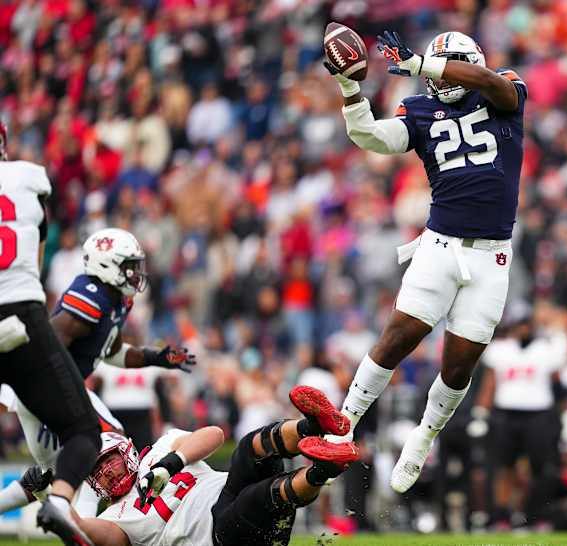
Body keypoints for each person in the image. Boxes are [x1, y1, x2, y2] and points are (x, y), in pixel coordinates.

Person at [324, 30, 527, 492]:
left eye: (448, 67)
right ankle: (345, 424)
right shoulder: (418, 109)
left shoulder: (503, 90)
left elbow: (487, 80)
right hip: (439, 245)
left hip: (491, 256)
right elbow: (371, 137)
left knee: (459, 367)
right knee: (398, 338)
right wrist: (350, 89)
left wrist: (419, 64)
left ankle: (424, 436)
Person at [0, 227, 195, 520]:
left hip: (53, 387)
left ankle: (50, 500)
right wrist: (47, 404)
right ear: (107, 265)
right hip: (43, 387)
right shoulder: (92, 295)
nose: (135, 274)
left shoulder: (117, 299)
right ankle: (80, 525)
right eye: (129, 267)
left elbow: (112, 351)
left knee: (64, 468)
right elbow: (46, 348)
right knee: (105, 451)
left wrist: (156, 357)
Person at [66, 385, 358, 546]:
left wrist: (169, 464)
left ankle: (313, 426)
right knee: (253, 499)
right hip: (219, 538)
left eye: (108, 461)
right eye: (98, 472)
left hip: (229, 491)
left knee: (247, 447)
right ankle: (324, 469)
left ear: (125, 450)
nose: (106, 472)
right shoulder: (115, 517)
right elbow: (96, 534)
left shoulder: (160, 450)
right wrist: (55, 505)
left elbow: (214, 435)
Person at [0, 121, 101, 545]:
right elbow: (36, 258)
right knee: (82, 431)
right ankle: (58, 503)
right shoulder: (28, 177)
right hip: (22, 317)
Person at [473, 308, 566, 529]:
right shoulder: (500, 350)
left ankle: (537, 514)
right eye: (520, 324)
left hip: (539, 413)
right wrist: (480, 412)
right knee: (504, 466)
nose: (524, 328)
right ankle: (502, 515)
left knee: (540, 468)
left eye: (527, 324)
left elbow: (557, 381)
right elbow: (490, 384)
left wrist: (564, 412)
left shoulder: (545, 349)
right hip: (506, 413)